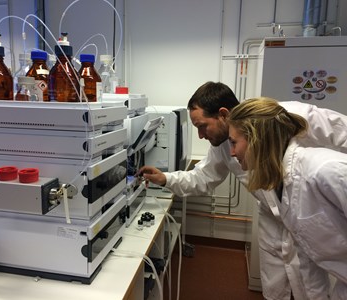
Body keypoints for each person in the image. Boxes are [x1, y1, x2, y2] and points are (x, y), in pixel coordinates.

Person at [137, 81, 347, 300]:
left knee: (314, 278)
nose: (200, 135)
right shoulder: (223, 145)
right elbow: (204, 177)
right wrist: (165, 178)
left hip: (310, 207)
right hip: (274, 215)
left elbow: (342, 132)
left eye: (202, 126)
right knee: (276, 284)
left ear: (223, 114)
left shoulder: (287, 120)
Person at [228, 97, 347, 299]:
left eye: (234, 142)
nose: (231, 152)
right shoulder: (281, 186)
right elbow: (308, 255)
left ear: (256, 138)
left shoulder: (325, 170)